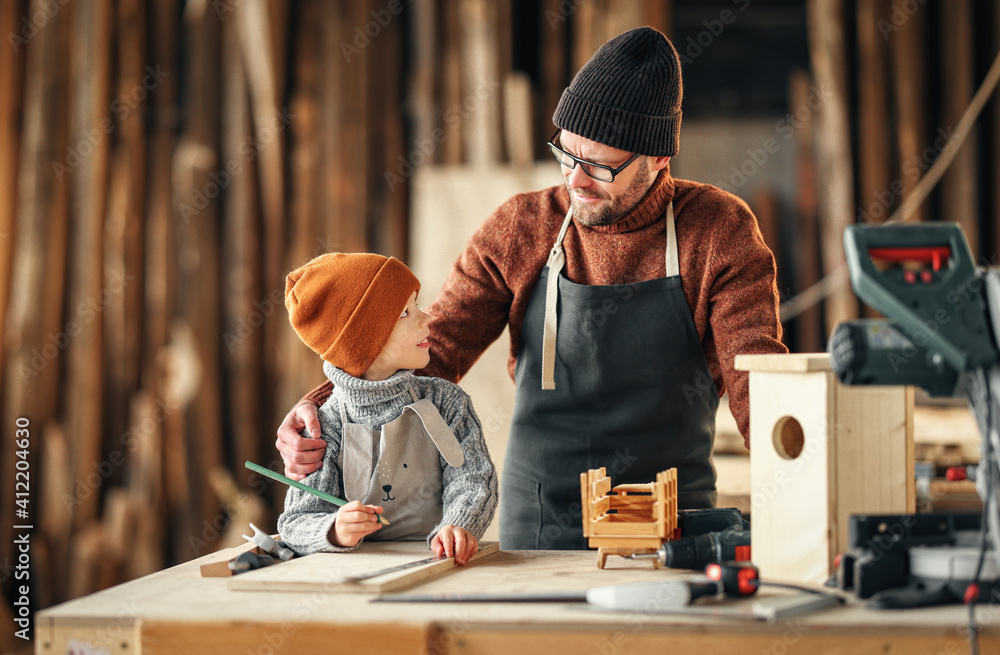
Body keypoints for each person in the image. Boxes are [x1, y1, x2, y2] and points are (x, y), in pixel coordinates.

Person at [276, 27, 786, 550]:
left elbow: (760, 386)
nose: (576, 180)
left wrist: (798, 483)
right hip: (541, 520)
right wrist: (327, 403)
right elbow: (432, 351)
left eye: (600, 166)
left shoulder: (719, 230)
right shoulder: (522, 227)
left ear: (658, 159)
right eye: (567, 154)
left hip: (669, 521)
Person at [276, 253, 498, 564]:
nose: (427, 318)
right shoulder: (324, 427)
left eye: (416, 305)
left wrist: (459, 525)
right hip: (355, 578)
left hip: (441, 564)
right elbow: (296, 521)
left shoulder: (447, 403)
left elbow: (473, 477)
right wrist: (334, 530)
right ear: (364, 341)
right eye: (406, 313)